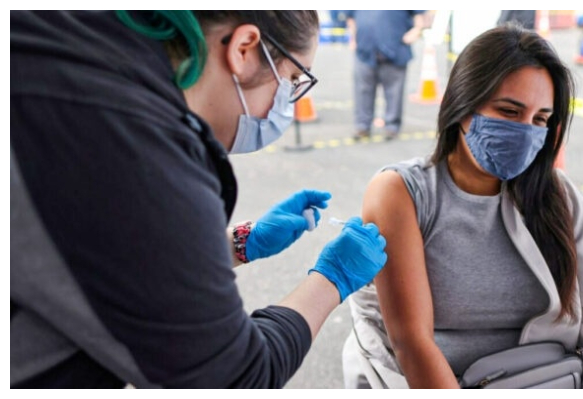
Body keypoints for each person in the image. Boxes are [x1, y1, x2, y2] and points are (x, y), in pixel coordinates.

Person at [11, 10, 388, 388]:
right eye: (291, 80)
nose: (286, 104)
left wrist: (237, 243)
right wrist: (332, 278)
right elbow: (232, 376)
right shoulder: (131, 143)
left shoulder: (82, 53)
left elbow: (122, 254)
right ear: (244, 48)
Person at [341, 25, 583, 389]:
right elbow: (411, 343)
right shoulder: (402, 193)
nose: (526, 131)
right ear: (463, 104)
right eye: (510, 111)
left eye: (540, 119)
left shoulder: (557, 196)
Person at [344, 10, 426, 141]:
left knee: (394, 92)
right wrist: (353, 37)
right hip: (365, 50)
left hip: (395, 50)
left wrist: (415, 31)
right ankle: (362, 126)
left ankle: (392, 126)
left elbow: (419, 16)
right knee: (363, 90)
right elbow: (350, 17)